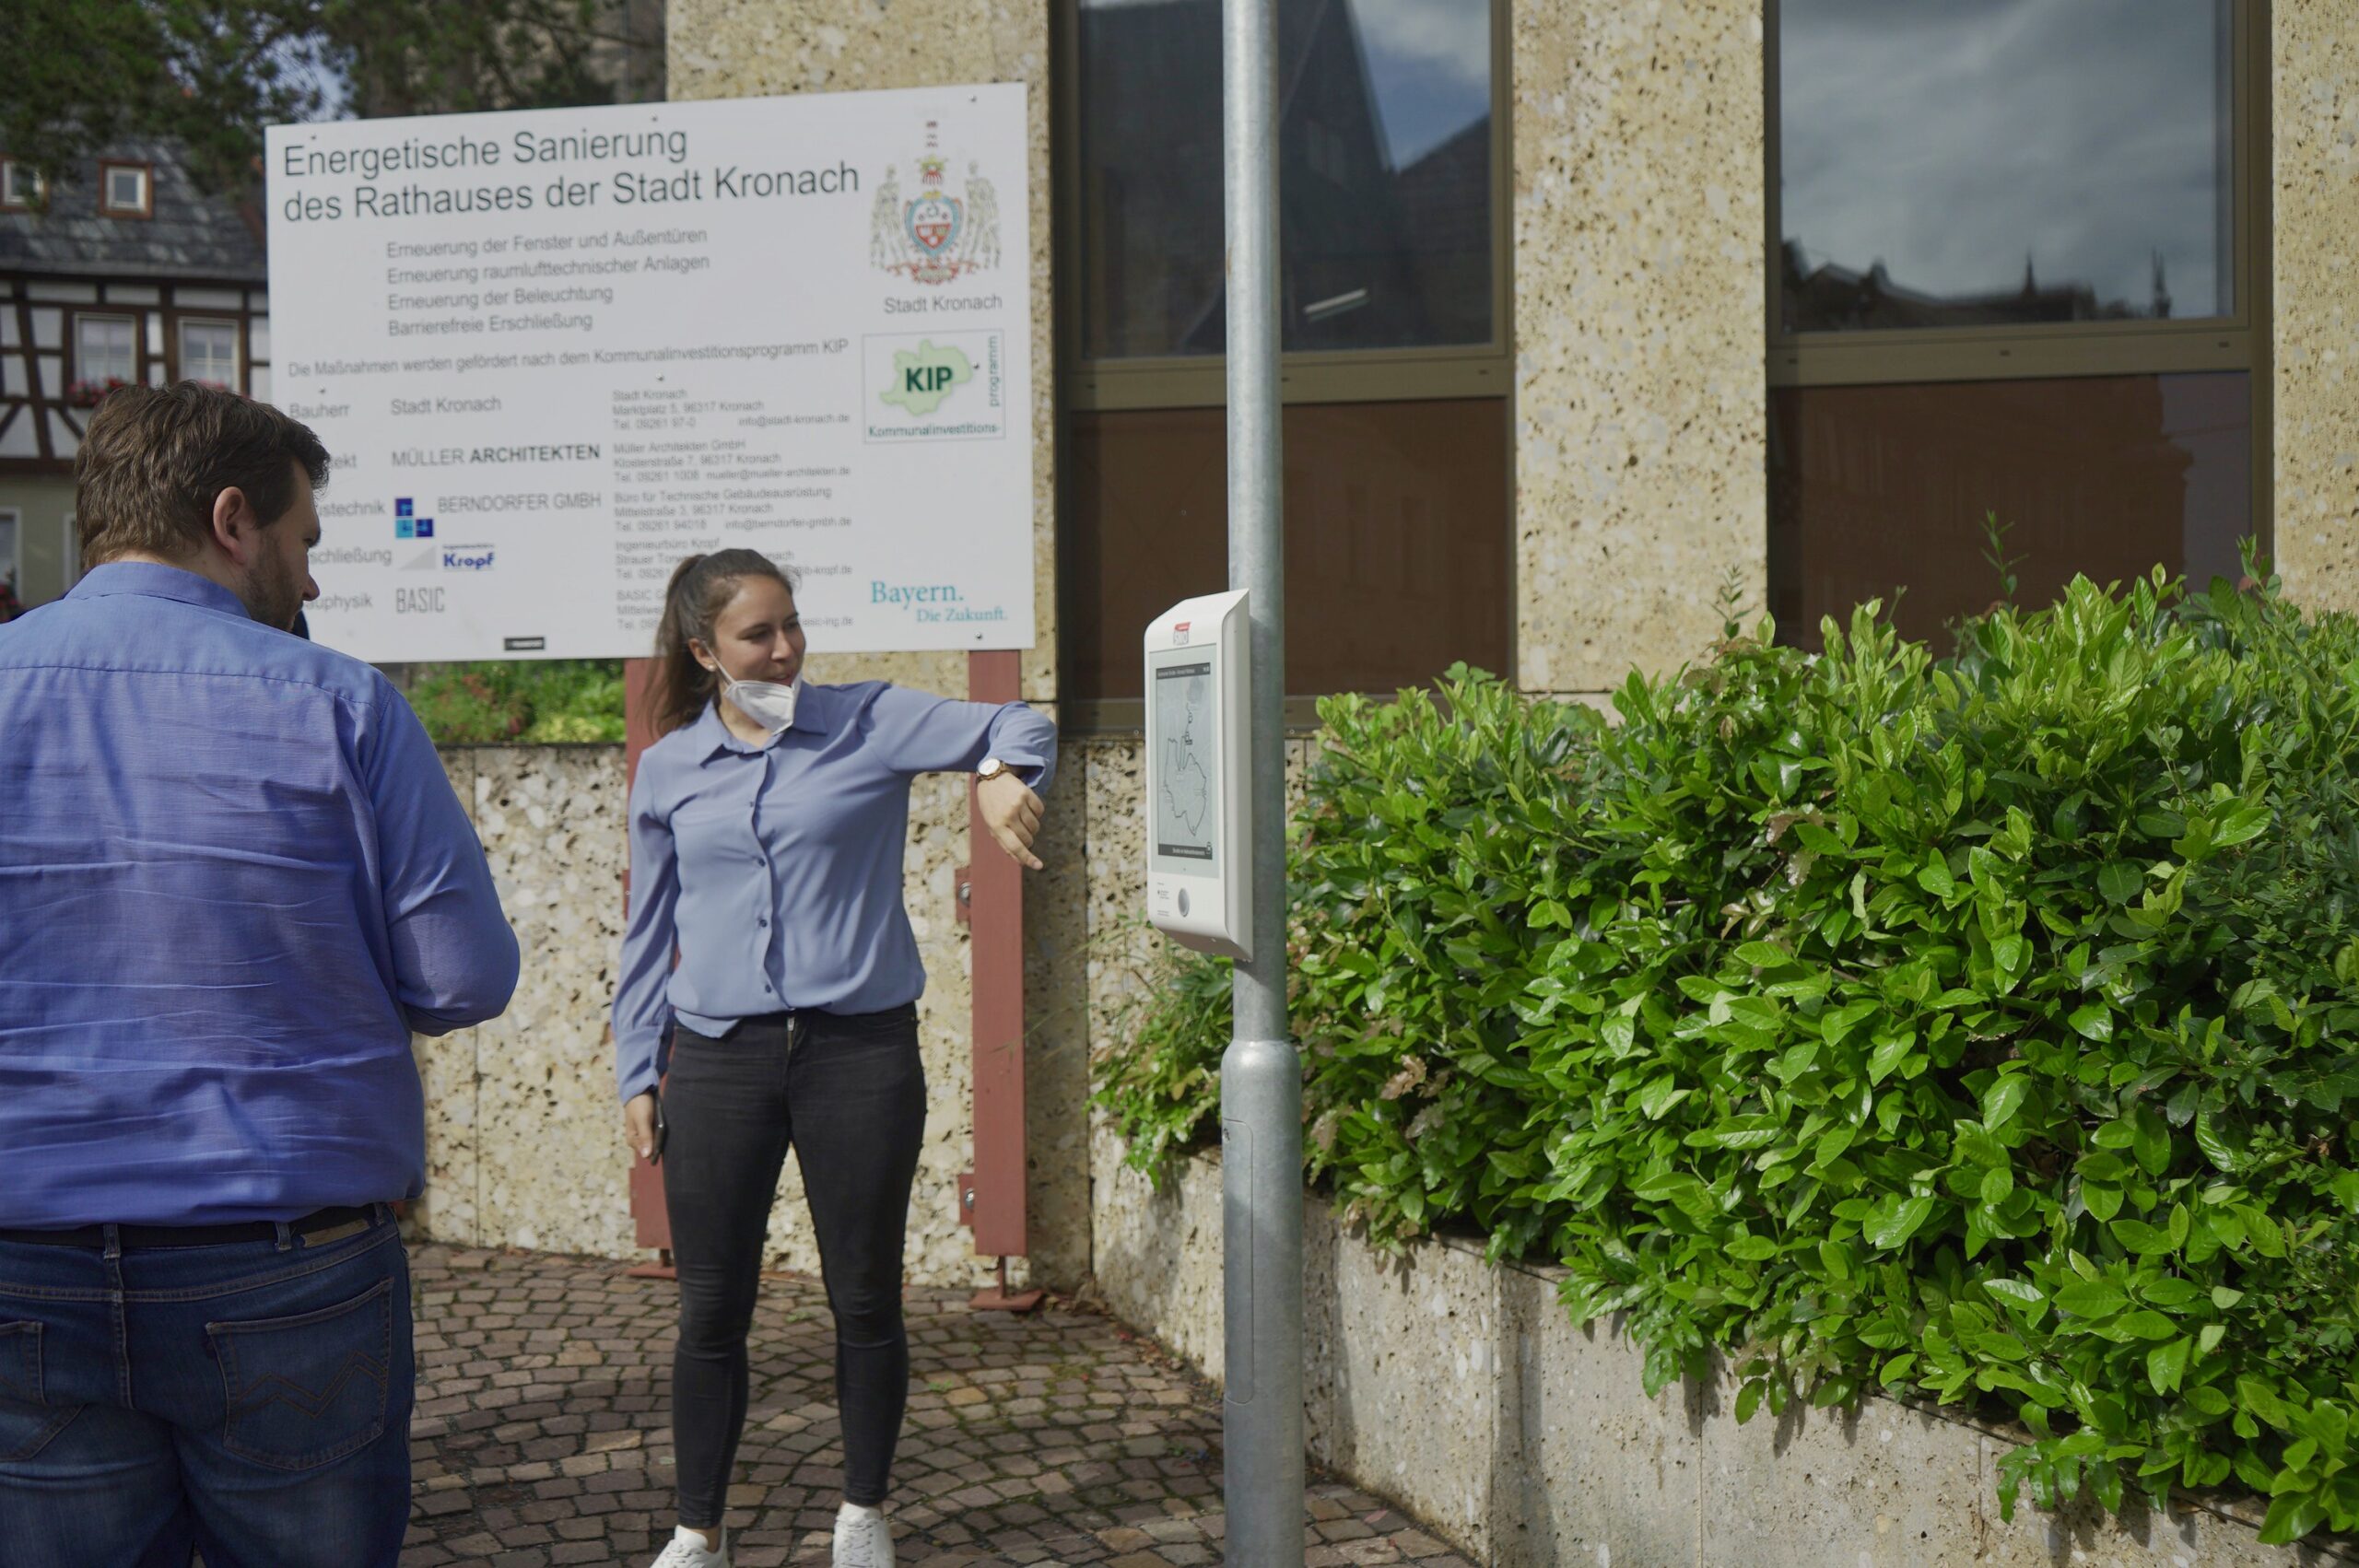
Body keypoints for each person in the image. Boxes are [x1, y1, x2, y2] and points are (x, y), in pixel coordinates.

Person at [0, 382, 520, 1568]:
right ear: (234, 519)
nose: (313, 581)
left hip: (20, 1252)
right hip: (286, 1262)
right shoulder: (341, 704)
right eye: (304, 542)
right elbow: (463, 978)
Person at [614, 549, 1054, 1568]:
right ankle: (697, 1531)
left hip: (858, 1055)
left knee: (864, 1293)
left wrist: (997, 776)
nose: (784, 647)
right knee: (710, 1307)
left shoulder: (870, 718)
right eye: (757, 633)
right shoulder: (670, 766)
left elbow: (1019, 720)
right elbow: (648, 930)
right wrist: (638, 1067)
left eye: (791, 624)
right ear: (703, 651)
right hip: (716, 1060)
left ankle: (863, 1510)